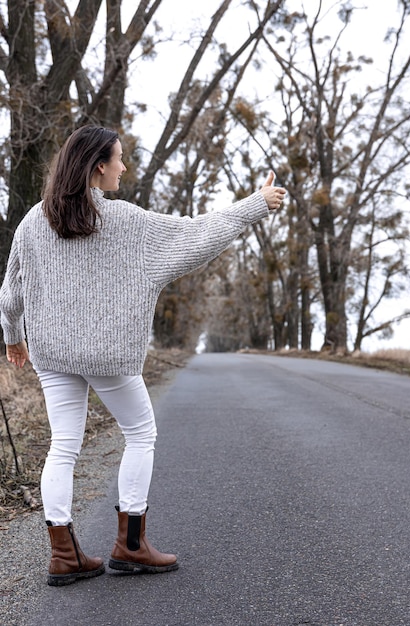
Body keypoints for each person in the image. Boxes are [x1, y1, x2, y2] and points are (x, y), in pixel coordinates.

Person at [0, 125, 286, 587]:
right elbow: (196, 235)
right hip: (107, 356)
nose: (124, 167)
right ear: (98, 166)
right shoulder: (127, 223)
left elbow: (9, 293)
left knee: (64, 446)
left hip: (51, 355)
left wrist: (12, 337)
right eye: (119, 158)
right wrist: (254, 206)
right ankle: (131, 546)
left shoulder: (35, 220)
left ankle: (63, 555)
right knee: (140, 432)